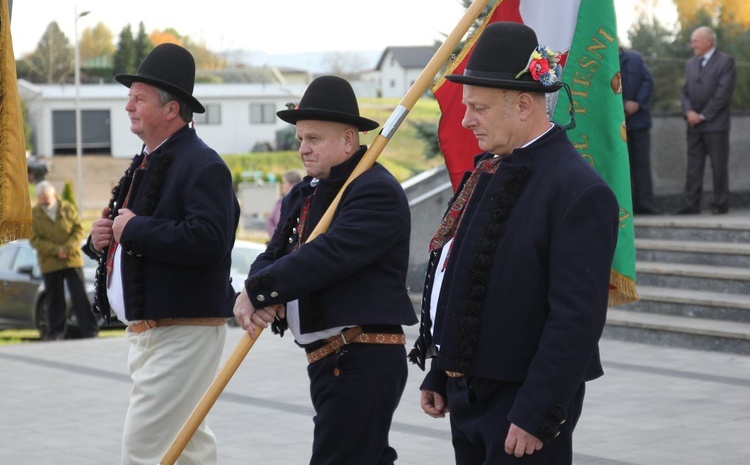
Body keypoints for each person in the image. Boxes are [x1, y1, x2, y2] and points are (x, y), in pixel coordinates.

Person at [408, 22, 620, 464]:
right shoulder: (490, 169)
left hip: (522, 405)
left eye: (478, 108)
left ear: (524, 104)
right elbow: (463, 277)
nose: (466, 120)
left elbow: (576, 320)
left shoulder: (578, 190)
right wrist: (442, 372)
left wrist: (537, 411)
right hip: (469, 393)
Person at [233, 75, 417, 465]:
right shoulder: (305, 192)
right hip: (329, 360)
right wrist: (257, 290)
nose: (302, 148)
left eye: (313, 138)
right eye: (300, 139)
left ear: (349, 140)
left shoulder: (374, 190)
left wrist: (263, 291)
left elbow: (327, 257)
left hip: (362, 355)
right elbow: (274, 254)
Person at [83, 43, 239, 465]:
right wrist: (103, 239)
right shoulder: (147, 162)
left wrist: (133, 228)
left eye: (139, 97)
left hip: (182, 331)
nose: (128, 105)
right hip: (156, 333)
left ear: (172, 109)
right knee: (186, 448)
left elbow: (209, 241)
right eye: (130, 96)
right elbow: (136, 238)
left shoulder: (204, 165)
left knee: (145, 448)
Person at [676, 26, 736, 215]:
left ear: (708, 41)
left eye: (696, 41)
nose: (693, 45)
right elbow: (684, 92)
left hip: (715, 125)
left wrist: (703, 115)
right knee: (694, 165)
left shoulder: (725, 62)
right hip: (693, 124)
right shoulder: (691, 63)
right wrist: (689, 112)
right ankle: (691, 204)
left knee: (718, 165)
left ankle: (720, 203)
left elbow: (722, 94)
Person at [30, 180, 98, 341]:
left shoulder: (67, 208)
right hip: (50, 263)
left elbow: (78, 229)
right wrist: (56, 250)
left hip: (71, 260)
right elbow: (34, 239)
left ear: (53, 195)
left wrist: (66, 249)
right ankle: (55, 333)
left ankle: (90, 331)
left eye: (46, 197)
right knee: (55, 299)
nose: (44, 201)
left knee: (79, 296)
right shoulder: (34, 214)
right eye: (41, 198)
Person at [619, 45, 660, 215]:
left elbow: (648, 81)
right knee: (622, 165)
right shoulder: (604, 61)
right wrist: (624, 104)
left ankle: (645, 204)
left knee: (642, 165)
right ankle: (627, 207)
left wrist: (637, 104)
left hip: (639, 121)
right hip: (618, 123)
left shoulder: (635, 58)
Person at [265, 169, 302, 238]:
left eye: (284, 183)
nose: (282, 185)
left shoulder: (300, 203)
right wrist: (276, 236)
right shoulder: (280, 202)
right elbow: (270, 221)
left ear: (293, 185)